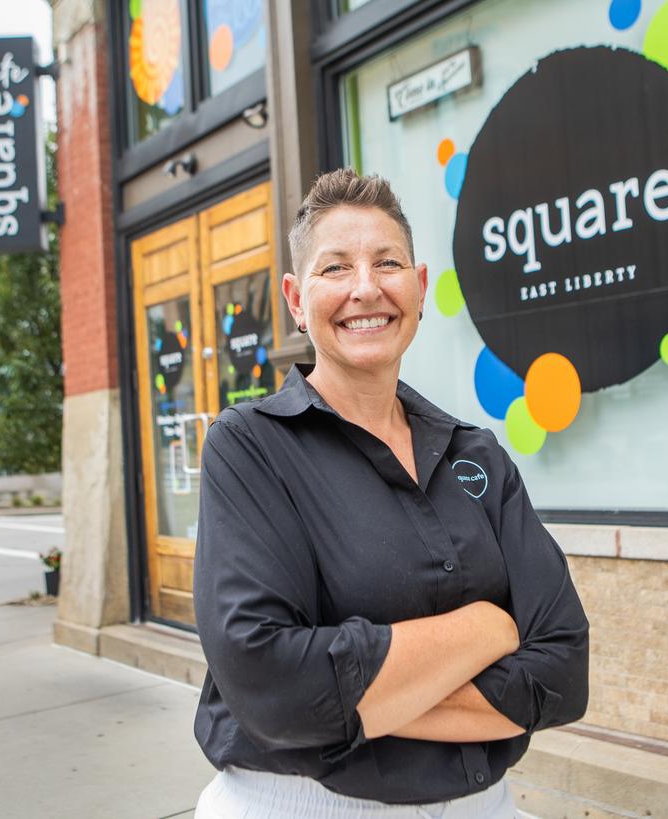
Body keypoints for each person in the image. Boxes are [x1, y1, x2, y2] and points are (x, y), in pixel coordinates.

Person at [192, 169, 590, 818]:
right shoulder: (250, 449)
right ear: (296, 298)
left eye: (387, 262)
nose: (366, 288)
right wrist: (487, 626)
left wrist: (357, 699)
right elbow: (270, 685)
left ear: (421, 285)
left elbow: (564, 671)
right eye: (336, 268)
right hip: (301, 804)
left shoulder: (478, 454)